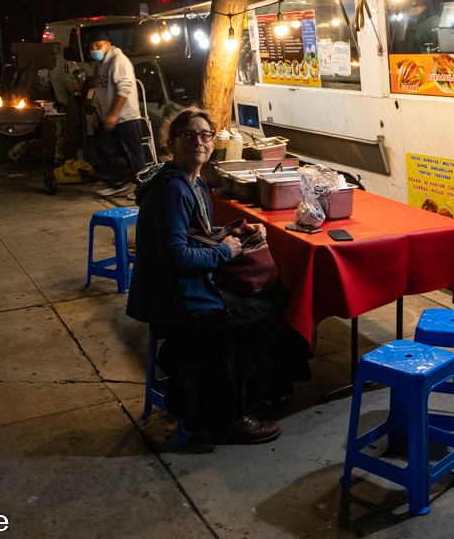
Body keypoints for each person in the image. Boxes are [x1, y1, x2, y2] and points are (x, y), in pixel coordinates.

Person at [126, 107, 310, 444]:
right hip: (174, 300)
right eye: (188, 135)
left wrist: (236, 230)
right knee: (265, 313)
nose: (198, 141)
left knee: (274, 295)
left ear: (213, 143)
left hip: (187, 289)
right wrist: (226, 251)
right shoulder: (173, 190)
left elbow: (197, 232)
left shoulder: (192, 182)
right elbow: (176, 257)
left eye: (205, 135)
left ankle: (261, 393)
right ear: (172, 143)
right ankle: (229, 416)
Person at [88, 31, 145, 197]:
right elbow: (101, 91)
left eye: (97, 46)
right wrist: (97, 112)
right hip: (108, 116)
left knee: (133, 153)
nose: (94, 49)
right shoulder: (99, 64)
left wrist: (114, 113)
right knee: (103, 146)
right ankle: (117, 183)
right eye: (92, 47)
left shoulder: (119, 60)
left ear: (107, 44)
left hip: (126, 116)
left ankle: (142, 188)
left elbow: (124, 88)